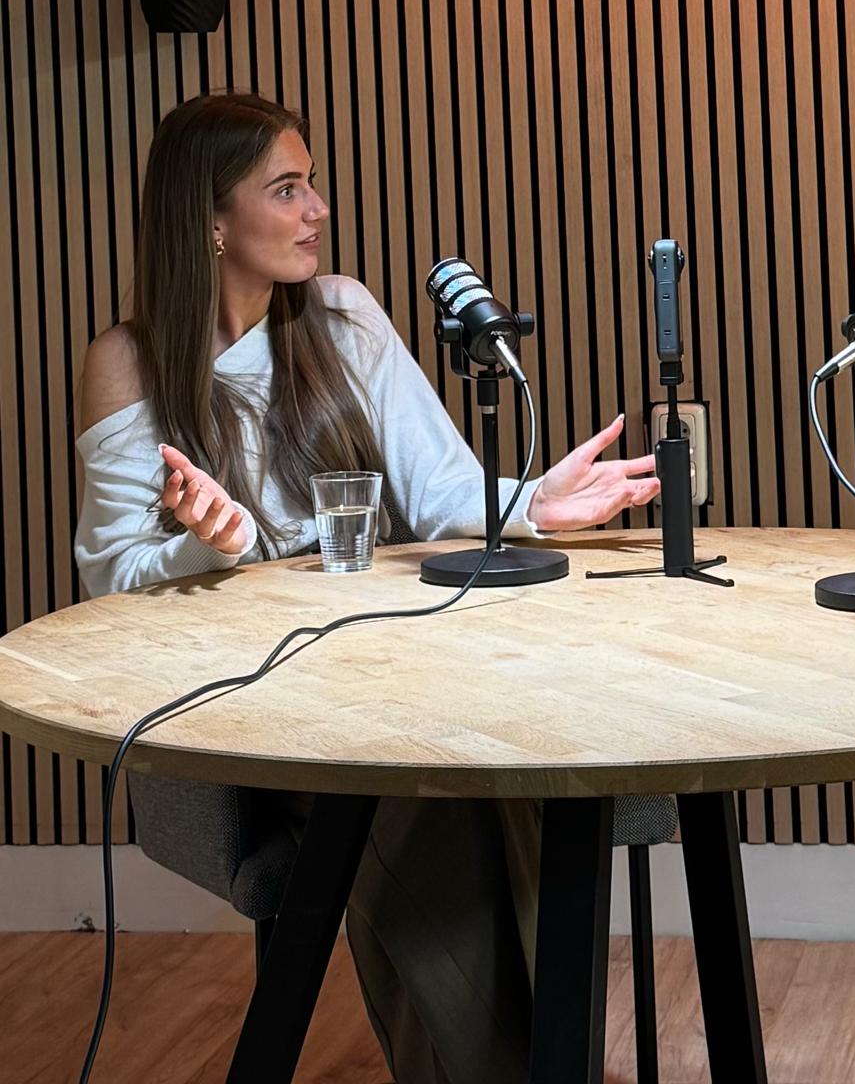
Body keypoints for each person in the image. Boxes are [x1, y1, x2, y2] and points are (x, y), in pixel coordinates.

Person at [74, 91, 660, 1083]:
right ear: (212, 221)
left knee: (496, 764)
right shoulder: (128, 363)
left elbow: (438, 490)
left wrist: (531, 501)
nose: (318, 210)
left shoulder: (340, 315)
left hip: (391, 680)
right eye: (288, 188)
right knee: (419, 795)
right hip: (257, 708)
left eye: (311, 183)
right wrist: (209, 546)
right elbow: (114, 576)